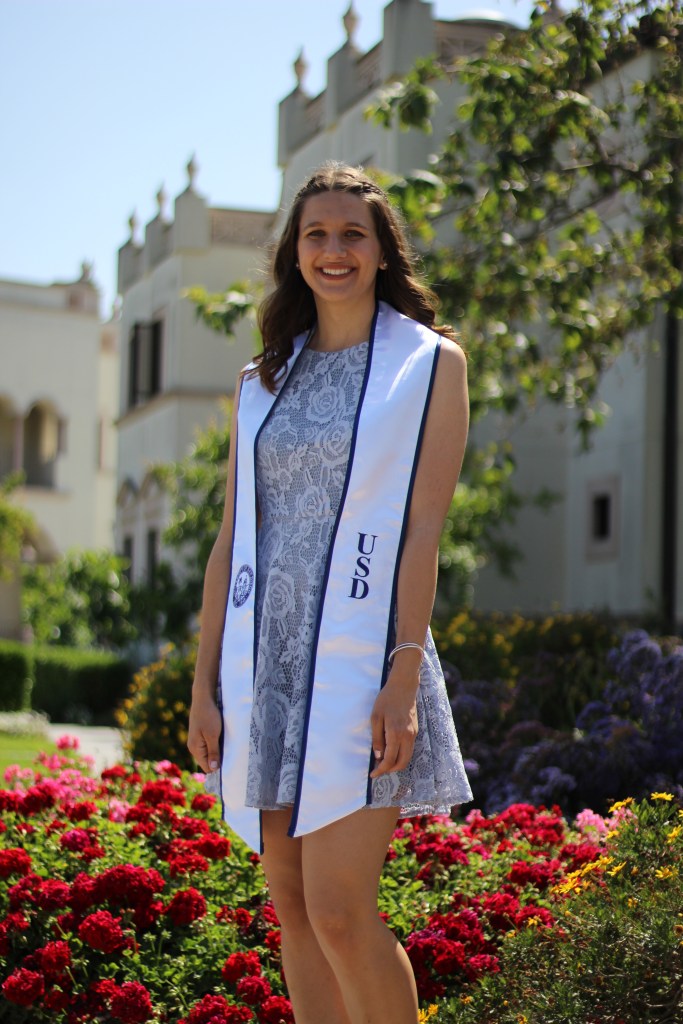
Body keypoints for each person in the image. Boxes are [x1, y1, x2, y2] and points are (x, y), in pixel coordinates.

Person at [187, 163, 472, 1024]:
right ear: (293, 254)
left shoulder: (427, 367)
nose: (334, 250)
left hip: (361, 663)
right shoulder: (260, 381)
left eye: (353, 234)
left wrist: (401, 674)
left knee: (343, 913)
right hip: (264, 668)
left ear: (383, 252)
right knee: (296, 915)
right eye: (316, 235)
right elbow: (232, 536)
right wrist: (203, 685)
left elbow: (423, 531)